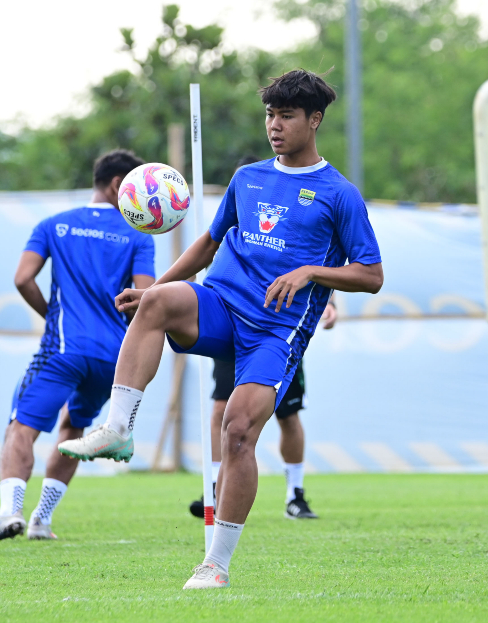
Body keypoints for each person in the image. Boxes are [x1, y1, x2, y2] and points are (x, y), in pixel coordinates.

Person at [58, 69, 383, 589]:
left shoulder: (339, 194)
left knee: (237, 431)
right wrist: (157, 288)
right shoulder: (247, 177)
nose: (274, 126)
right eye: (270, 115)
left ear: (315, 120)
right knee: (156, 302)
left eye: (287, 116)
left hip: (274, 333)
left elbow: (371, 275)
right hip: (221, 305)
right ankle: (117, 429)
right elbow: (209, 244)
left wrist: (311, 272)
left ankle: (216, 564)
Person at [0, 150, 156, 543]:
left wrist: (51, 313)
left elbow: (23, 278)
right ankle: (41, 520)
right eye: (135, 188)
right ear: (117, 186)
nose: (139, 199)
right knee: (74, 429)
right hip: (113, 360)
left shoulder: (54, 225)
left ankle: (9, 513)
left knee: (21, 427)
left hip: (64, 349)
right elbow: (146, 298)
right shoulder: (137, 235)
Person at [188, 157, 338, 522]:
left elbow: (316, 258)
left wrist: (331, 302)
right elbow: (209, 248)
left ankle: (295, 494)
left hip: (276, 330)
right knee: (221, 409)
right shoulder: (237, 209)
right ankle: (215, 486)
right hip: (231, 319)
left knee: (288, 415)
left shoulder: (295, 210)